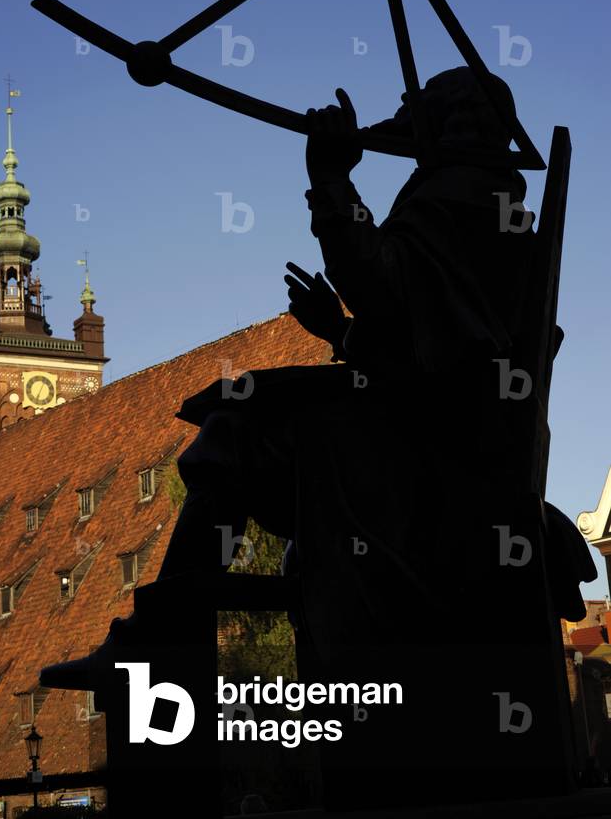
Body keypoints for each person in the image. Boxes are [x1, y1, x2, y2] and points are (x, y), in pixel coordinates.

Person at [40, 66, 540, 692]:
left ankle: (161, 647)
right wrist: (338, 331)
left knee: (233, 431)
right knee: (238, 418)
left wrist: (330, 178)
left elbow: (385, 296)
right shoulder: (479, 195)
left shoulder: (460, 195)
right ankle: (163, 639)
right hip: (429, 429)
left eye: (417, 111)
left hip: (429, 450)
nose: (403, 121)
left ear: (448, 120)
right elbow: (422, 342)